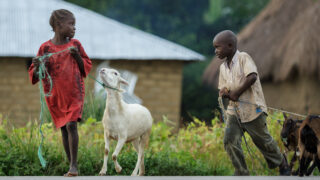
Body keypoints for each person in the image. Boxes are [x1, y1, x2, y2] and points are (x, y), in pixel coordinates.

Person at [214, 30, 290, 175]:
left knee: (262, 141)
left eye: (218, 47)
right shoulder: (222, 68)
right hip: (234, 112)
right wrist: (224, 93)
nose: (215, 51)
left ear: (230, 45)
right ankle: (241, 171)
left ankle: (282, 162)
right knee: (229, 140)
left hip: (253, 111)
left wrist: (236, 93)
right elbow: (223, 87)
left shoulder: (243, 57)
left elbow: (252, 77)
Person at [28, 9, 92, 177]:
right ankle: (71, 166)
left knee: (71, 124)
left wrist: (77, 57)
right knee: (64, 127)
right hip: (55, 95)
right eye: (71, 24)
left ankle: (74, 165)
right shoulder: (46, 48)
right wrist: (37, 65)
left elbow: (86, 66)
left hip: (74, 92)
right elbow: (35, 75)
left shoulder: (75, 45)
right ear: (58, 26)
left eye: (74, 25)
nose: (74, 28)